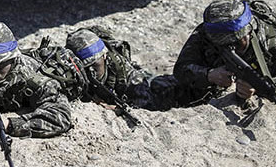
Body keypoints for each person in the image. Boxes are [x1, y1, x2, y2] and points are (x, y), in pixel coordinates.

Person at [174, 0, 276, 105]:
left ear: (248, 32)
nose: (231, 49)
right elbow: (180, 69)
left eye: (236, 44)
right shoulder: (207, 32)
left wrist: (259, 89)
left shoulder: (272, 39)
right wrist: (208, 75)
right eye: (222, 45)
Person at [61, 27, 189, 111]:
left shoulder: (127, 75)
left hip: (144, 85)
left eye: (94, 66)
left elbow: (146, 107)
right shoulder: (69, 69)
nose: (89, 73)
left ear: (105, 57)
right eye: (84, 67)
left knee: (163, 88)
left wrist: (114, 108)